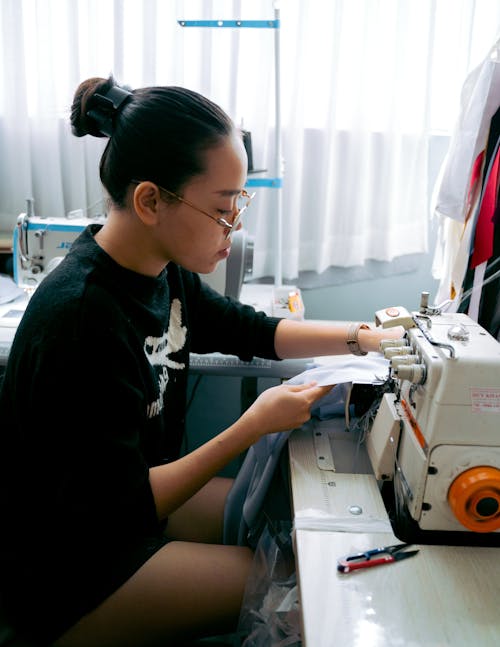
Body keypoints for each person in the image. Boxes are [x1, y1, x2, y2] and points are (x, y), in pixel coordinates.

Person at [0, 76, 403, 647]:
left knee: (279, 517)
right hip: (71, 567)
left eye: (240, 200)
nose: (235, 224)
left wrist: (362, 337)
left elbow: (252, 330)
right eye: (221, 207)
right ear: (150, 201)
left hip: (124, 513)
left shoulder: (161, 268)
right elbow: (119, 505)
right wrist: (252, 425)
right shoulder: (83, 316)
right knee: (298, 586)